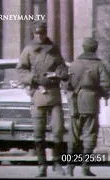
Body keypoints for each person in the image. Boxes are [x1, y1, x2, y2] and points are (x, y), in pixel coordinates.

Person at [16, 21, 69, 177]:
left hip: (53, 94)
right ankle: (41, 165)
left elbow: (63, 68)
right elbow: (20, 70)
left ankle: (57, 163)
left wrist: (59, 74)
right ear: (34, 33)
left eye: (43, 33)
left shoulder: (54, 50)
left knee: (58, 130)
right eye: (37, 33)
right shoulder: (28, 50)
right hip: (38, 93)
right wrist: (34, 78)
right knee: (38, 132)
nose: (40, 36)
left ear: (46, 33)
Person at [65, 37, 110, 177]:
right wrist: (101, 91)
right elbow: (107, 83)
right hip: (91, 102)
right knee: (90, 134)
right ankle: (85, 167)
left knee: (73, 136)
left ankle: (69, 168)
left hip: (74, 102)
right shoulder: (98, 65)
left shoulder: (74, 64)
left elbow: (66, 84)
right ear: (95, 49)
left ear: (83, 47)